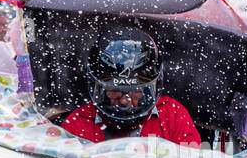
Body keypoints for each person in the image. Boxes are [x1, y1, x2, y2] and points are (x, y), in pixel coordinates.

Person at [60, 30, 200, 145]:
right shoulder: (78, 124)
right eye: (115, 91)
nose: (124, 101)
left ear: (148, 90)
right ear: (100, 89)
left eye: (134, 91)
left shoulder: (173, 116)